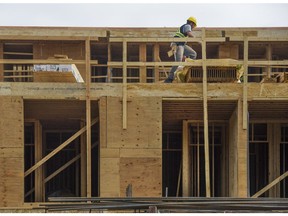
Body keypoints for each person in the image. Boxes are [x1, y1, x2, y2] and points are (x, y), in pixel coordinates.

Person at [164, 16, 197, 83]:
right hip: (178, 44)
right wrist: (195, 38)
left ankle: (184, 69)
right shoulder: (187, 26)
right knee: (178, 61)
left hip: (182, 45)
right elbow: (188, 32)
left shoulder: (186, 26)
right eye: (194, 26)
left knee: (193, 54)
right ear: (191, 23)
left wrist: (185, 57)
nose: (193, 27)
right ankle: (170, 78)